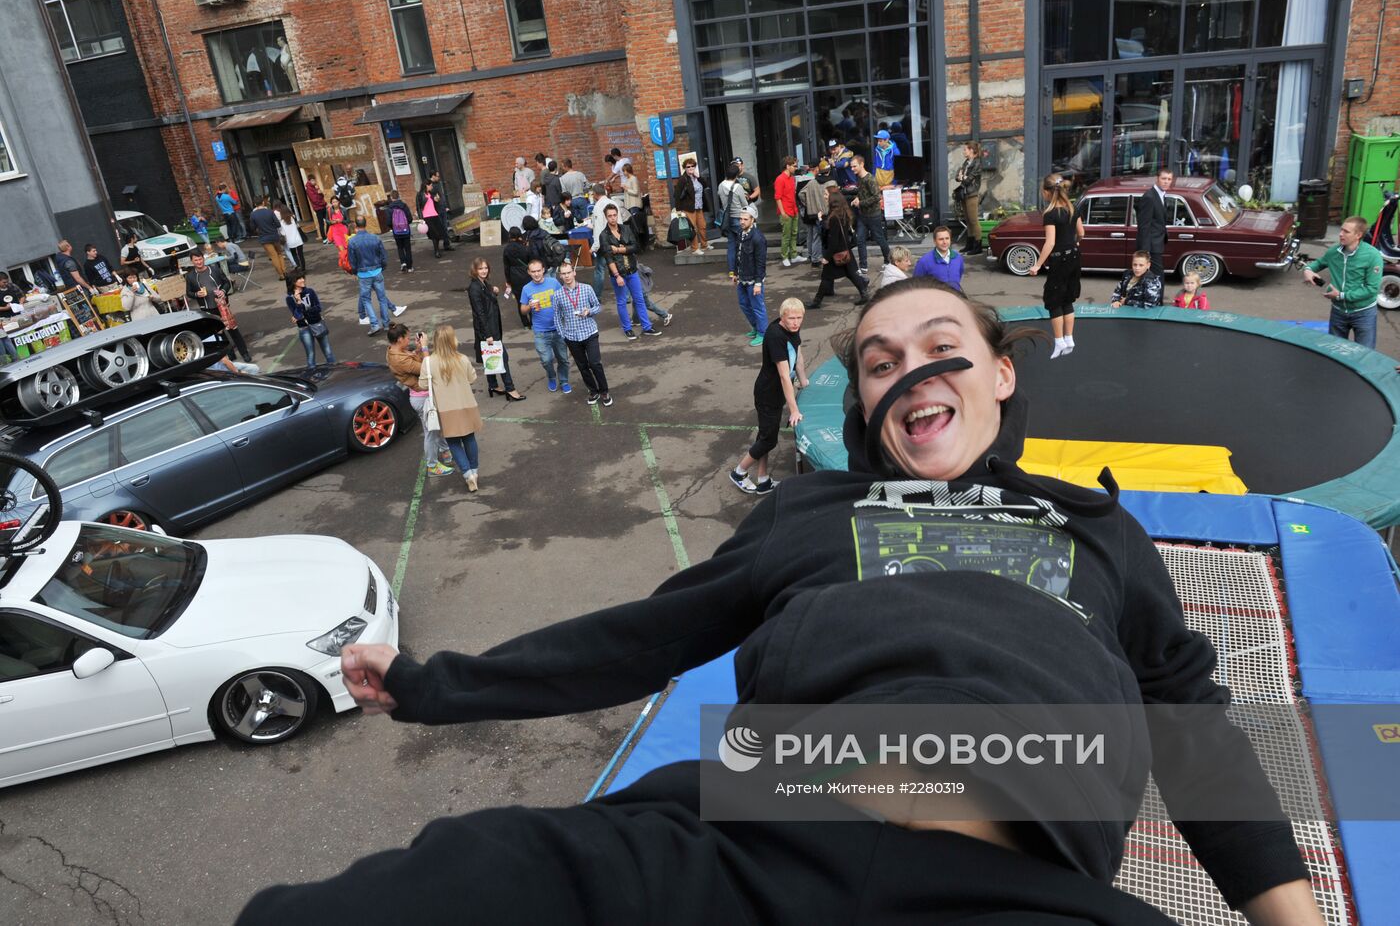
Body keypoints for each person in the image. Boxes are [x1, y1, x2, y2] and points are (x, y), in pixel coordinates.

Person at [242, 275, 1324, 926]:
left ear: (997, 372)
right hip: (746, 837)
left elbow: (1197, 743)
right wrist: (433, 685)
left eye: (939, 347)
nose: (907, 371)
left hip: (1007, 877)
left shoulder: (1095, 532)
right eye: (877, 361)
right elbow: (636, 636)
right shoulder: (809, 516)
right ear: (862, 403)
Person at [729, 298, 807, 495]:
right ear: (782, 317)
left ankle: (763, 479)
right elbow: (783, 373)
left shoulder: (793, 329)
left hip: (778, 392)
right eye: (791, 318)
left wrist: (803, 380)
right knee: (768, 440)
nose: (795, 322)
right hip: (768, 393)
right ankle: (739, 472)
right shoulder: (775, 336)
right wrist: (794, 409)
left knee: (766, 434)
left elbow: (798, 355)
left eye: (799, 318)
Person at [1302, 215, 1384, 348]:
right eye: (1341, 230)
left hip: (1364, 313)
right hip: (1338, 311)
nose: (1340, 234)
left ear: (1358, 235)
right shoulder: (1333, 252)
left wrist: (1341, 295)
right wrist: (1307, 270)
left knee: (1365, 353)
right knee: (1336, 351)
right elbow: (1318, 264)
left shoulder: (1372, 256)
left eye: (1346, 231)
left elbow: (1372, 289)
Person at [1028, 173, 1085, 359]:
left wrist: (1037, 265)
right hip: (1075, 257)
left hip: (1060, 260)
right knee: (1067, 299)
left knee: (1054, 299)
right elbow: (1081, 232)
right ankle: (1069, 338)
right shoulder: (1072, 208)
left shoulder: (1050, 214)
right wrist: (1075, 243)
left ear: (1046, 192)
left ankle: (1059, 341)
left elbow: (1050, 243)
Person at [421, 325, 484, 492]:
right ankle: (475, 471)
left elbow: (422, 384)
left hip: (445, 409)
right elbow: (472, 378)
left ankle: (467, 474)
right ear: (452, 340)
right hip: (466, 404)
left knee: (453, 443)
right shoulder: (462, 358)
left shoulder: (430, 362)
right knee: (469, 438)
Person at [386, 323, 454, 478]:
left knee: (437, 426)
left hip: (421, 395)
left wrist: (416, 349)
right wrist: (424, 348)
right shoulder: (399, 359)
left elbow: (414, 362)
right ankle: (432, 465)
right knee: (431, 432)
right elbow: (427, 368)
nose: (409, 339)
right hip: (422, 398)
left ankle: (445, 452)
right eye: (407, 337)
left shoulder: (395, 351)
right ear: (399, 339)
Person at [553, 261, 612, 407]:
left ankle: (604, 391)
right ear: (560, 276)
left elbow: (598, 306)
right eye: (563, 274)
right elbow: (557, 316)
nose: (567, 276)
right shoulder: (558, 295)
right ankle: (593, 391)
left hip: (590, 332)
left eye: (569, 272)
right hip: (572, 337)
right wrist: (563, 335)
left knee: (595, 363)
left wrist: (589, 312)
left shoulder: (587, 289)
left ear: (574, 272)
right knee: (582, 366)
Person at [598, 206, 660, 341]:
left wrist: (620, 250)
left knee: (639, 299)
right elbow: (609, 258)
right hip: (618, 273)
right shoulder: (604, 235)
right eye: (610, 216)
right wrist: (617, 276)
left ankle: (647, 327)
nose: (613, 218)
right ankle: (627, 329)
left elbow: (636, 247)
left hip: (632, 270)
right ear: (606, 217)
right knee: (622, 302)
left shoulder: (626, 229)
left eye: (615, 215)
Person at [467, 257, 524, 402]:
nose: (484, 271)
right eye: (480, 269)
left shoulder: (483, 283)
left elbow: (487, 298)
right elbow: (479, 312)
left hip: (491, 327)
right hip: (487, 330)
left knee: (489, 356)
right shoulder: (474, 288)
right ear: (474, 270)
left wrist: (494, 291)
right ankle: (510, 389)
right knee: (502, 357)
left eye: (485, 268)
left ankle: (492, 385)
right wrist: (488, 334)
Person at [185, 250, 251, 362]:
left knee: (233, 329)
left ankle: (244, 353)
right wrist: (197, 294)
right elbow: (189, 293)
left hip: (221, 305)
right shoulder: (190, 276)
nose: (199, 262)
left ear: (203, 259)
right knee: (219, 333)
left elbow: (227, 282)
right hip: (207, 308)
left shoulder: (214, 269)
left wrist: (223, 291)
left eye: (200, 259)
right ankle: (230, 355)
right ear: (192, 262)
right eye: (196, 260)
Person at [519, 259, 572, 391]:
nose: (536, 274)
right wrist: (529, 307)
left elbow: (563, 297)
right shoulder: (526, 288)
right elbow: (522, 310)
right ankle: (551, 376)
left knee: (563, 359)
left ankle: (564, 381)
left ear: (543, 270)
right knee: (546, 359)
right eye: (533, 272)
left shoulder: (553, 282)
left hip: (558, 328)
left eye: (538, 271)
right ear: (529, 272)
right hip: (541, 331)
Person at [348, 216, 405, 335]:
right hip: (377, 271)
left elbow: (352, 260)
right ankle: (385, 323)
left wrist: (354, 272)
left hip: (363, 274)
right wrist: (382, 267)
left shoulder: (352, 241)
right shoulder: (375, 238)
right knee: (382, 298)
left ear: (356, 226)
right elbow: (383, 255)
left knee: (366, 300)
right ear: (366, 224)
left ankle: (374, 324)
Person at [810, 194, 868, 309]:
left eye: (827, 195)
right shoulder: (842, 214)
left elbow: (833, 239)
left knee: (827, 276)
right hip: (844, 250)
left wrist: (826, 256)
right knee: (851, 273)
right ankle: (864, 293)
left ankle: (817, 301)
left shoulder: (834, 218)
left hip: (837, 252)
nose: (825, 197)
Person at [732, 206, 768, 345]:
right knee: (744, 304)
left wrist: (758, 283)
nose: (742, 221)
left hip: (753, 280)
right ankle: (756, 327)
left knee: (758, 307)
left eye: (745, 219)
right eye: (740, 218)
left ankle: (763, 333)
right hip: (742, 278)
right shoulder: (740, 233)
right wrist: (735, 273)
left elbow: (761, 263)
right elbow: (738, 256)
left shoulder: (758, 238)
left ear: (752, 220)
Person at [849, 155, 890, 276]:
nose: (852, 169)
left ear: (862, 165)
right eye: (851, 166)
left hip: (873, 215)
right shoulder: (860, 178)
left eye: (854, 166)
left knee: (879, 238)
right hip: (863, 215)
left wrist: (860, 203)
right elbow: (862, 193)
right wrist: (857, 199)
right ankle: (863, 266)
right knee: (860, 239)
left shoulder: (870, 179)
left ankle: (889, 261)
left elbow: (877, 197)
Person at [284, 273, 335, 367]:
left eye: (303, 277)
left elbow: (319, 308)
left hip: (317, 323)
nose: (303, 280)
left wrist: (304, 312)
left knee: (328, 351)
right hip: (304, 328)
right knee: (310, 355)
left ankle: (334, 371)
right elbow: (298, 315)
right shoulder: (290, 298)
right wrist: (299, 302)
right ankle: (312, 377)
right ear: (293, 282)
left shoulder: (310, 291)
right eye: (299, 278)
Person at [1134, 168, 1173, 276]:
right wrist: (1145, 252)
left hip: (1157, 243)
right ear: (1157, 179)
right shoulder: (1149, 197)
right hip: (1151, 246)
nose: (1166, 181)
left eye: (1169, 179)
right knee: (1157, 276)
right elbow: (1144, 225)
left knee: (1154, 277)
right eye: (1164, 178)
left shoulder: (1161, 195)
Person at [716, 164, 749, 273]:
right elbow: (744, 204)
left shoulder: (720, 185)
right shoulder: (738, 187)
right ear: (736, 175)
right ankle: (742, 269)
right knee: (743, 244)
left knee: (731, 245)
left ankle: (731, 270)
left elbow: (720, 197)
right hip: (738, 218)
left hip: (727, 219)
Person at [799, 161, 833, 268]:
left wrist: (809, 204)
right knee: (820, 235)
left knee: (815, 235)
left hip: (815, 213)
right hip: (826, 213)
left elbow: (801, 194)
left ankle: (814, 256)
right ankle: (816, 258)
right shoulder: (831, 183)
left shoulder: (813, 182)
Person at [671, 159, 709, 254]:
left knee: (702, 226)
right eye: (688, 167)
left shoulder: (696, 177)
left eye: (692, 166)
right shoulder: (683, 179)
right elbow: (677, 195)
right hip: (689, 207)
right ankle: (695, 248)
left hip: (699, 206)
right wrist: (679, 210)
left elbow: (706, 185)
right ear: (685, 168)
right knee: (693, 227)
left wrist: (699, 177)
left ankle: (704, 245)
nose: (691, 168)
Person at [773, 156, 804, 268]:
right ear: (788, 166)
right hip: (786, 211)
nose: (796, 168)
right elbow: (778, 198)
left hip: (793, 209)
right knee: (786, 235)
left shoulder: (791, 178)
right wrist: (783, 212)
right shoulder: (780, 179)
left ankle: (794, 255)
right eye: (794, 166)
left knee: (794, 233)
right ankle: (785, 256)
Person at [954, 142, 984, 255]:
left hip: (972, 194)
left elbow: (967, 180)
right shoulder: (966, 162)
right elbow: (958, 177)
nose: (964, 151)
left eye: (965, 149)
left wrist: (963, 177)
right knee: (968, 221)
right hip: (965, 194)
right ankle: (970, 244)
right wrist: (960, 177)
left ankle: (978, 246)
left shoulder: (977, 163)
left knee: (973, 220)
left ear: (971, 150)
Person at [913, 226, 965, 292]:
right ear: (935, 241)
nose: (944, 242)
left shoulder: (958, 257)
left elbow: (959, 275)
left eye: (947, 238)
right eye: (941, 239)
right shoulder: (924, 261)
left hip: (955, 297)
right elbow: (916, 284)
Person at [249, 198, 286, 282]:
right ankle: (284, 271)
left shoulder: (253, 215)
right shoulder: (270, 211)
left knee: (273, 256)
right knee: (280, 254)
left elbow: (252, 228)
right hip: (274, 236)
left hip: (264, 238)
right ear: (263, 202)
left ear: (255, 204)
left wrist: (258, 229)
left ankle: (281, 274)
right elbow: (277, 224)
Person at [417, 173, 452, 258]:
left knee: (439, 233)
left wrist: (437, 200)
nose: (432, 186)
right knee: (434, 234)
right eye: (430, 185)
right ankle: (436, 251)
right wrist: (421, 218)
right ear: (426, 185)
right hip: (427, 217)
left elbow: (434, 203)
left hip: (435, 215)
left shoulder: (431, 194)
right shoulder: (420, 194)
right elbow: (418, 207)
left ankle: (438, 250)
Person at [502, 227, 533, 321]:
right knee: (530, 298)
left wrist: (508, 281)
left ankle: (525, 323)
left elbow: (506, 267)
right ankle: (533, 320)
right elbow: (530, 261)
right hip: (527, 275)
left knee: (520, 300)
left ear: (510, 235)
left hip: (514, 276)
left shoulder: (507, 249)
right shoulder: (525, 247)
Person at [388, 190, 415, 272]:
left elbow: (388, 222)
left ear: (391, 197)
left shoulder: (390, 208)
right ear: (398, 196)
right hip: (406, 230)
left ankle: (403, 263)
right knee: (407, 248)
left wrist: (393, 227)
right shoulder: (404, 206)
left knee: (400, 247)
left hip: (396, 231)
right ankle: (410, 267)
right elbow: (410, 218)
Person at [275, 203, 305, 274]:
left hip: (290, 241)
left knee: (294, 255)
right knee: (301, 255)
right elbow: (298, 226)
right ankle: (303, 268)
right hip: (298, 240)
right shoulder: (293, 218)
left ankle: (298, 267)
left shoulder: (281, 222)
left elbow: (283, 233)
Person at [621, 163, 644, 241]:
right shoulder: (628, 179)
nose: (623, 173)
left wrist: (626, 188)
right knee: (633, 224)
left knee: (636, 225)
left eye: (624, 171)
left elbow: (635, 192)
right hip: (630, 204)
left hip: (634, 204)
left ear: (628, 170)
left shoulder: (633, 179)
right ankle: (636, 240)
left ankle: (639, 241)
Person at [305, 176, 329, 240]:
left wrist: (319, 191)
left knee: (328, 221)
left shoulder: (315, 186)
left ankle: (328, 235)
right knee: (321, 223)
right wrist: (324, 203)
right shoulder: (309, 188)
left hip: (323, 206)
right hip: (318, 208)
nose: (314, 182)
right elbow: (314, 200)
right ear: (309, 181)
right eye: (312, 180)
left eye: (314, 180)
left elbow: (322, 196)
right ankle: (324, 238)